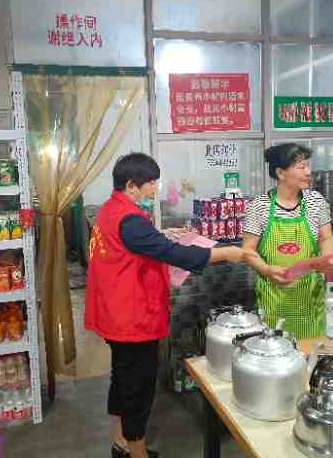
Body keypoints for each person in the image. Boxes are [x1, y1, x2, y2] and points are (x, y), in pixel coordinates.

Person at [85, 153, 252, 458]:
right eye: (151, 183)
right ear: (131, 185)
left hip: (113, 312)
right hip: (131, 318)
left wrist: (161, 234)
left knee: (122, 378)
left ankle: (120, 442)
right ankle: (137, 453)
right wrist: (226, 253)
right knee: (138, 388)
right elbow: (175, 255)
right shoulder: (130, 220)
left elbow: (135, 243)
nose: (155, 189)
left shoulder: (111, 210)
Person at [242, 143, 333, 339]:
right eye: (301, 167)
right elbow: (248, 250)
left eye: (307, 166)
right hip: (273, 297)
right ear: (281, 173)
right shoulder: (259, 206)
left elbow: (326, 237)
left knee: (310, 349)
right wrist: (266, 269)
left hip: (309, 296)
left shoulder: (315, 201)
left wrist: (327, 257)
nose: (308, 172)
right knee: (275, 348)